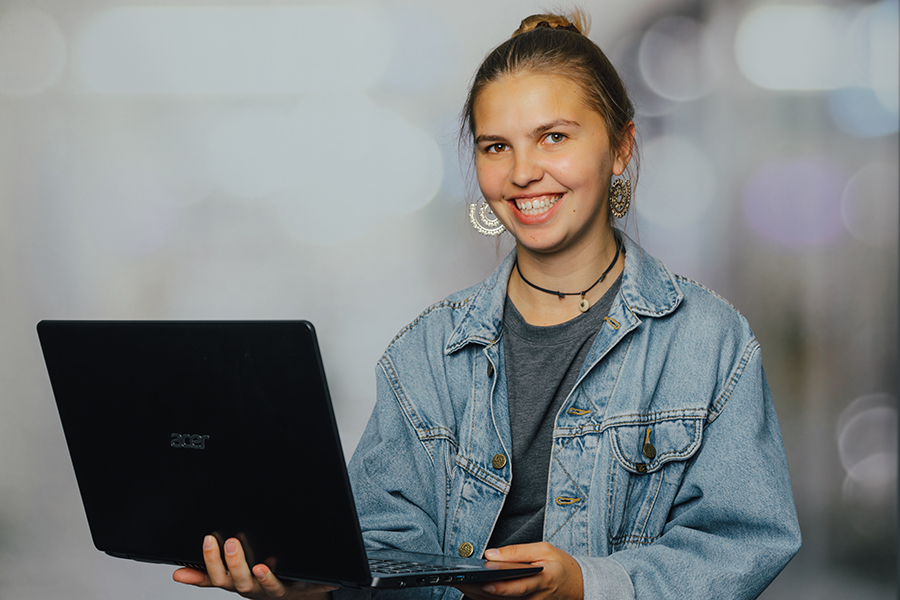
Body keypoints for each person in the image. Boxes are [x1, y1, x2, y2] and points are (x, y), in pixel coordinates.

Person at [173, 10, 801, 600]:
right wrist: (318, 585)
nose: (523, 172)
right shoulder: (424, 352)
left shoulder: (711, 343)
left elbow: (743, 542)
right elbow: (386, 552)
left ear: (621, 147)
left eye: (552, 137)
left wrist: (589, 583)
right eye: (496, 146)